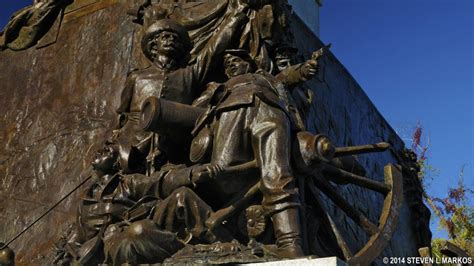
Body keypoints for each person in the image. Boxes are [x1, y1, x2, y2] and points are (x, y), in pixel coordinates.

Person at [190, 48, 322, 258]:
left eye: (237, 60)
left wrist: (305, 69)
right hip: (231, 112)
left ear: (249, 63)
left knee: (277, 174)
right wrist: (212, 96)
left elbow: (289, 76)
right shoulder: (219, 86)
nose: (232, 65)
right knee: (223, 173)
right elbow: (198, 106)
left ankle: (290, 244)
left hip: (269, 110)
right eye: (227, 64)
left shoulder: (266, 77)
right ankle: (228, 233)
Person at [113, 1, 250, 174]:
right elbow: (122, 116)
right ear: (153, 47)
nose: (171, 41)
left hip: (172, 150)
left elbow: (213, 49)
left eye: (176, 39)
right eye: (166, 37)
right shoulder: (136, 77)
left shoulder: (188, 74)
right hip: (133, 144)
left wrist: (237, 15)